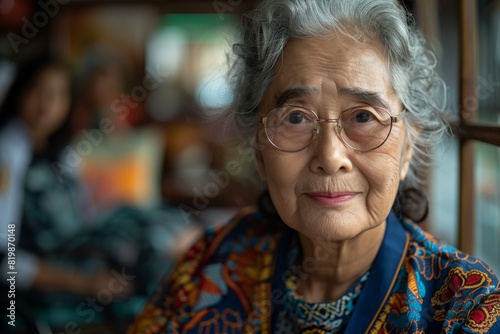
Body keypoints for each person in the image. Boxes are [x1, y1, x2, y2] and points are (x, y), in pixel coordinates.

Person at [128, 0, 500, 333]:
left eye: (364, 117)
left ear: (407, 149)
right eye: (295, 118)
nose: (330, 157)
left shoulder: (465, 307)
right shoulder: (211, 264)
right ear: (259, 151)